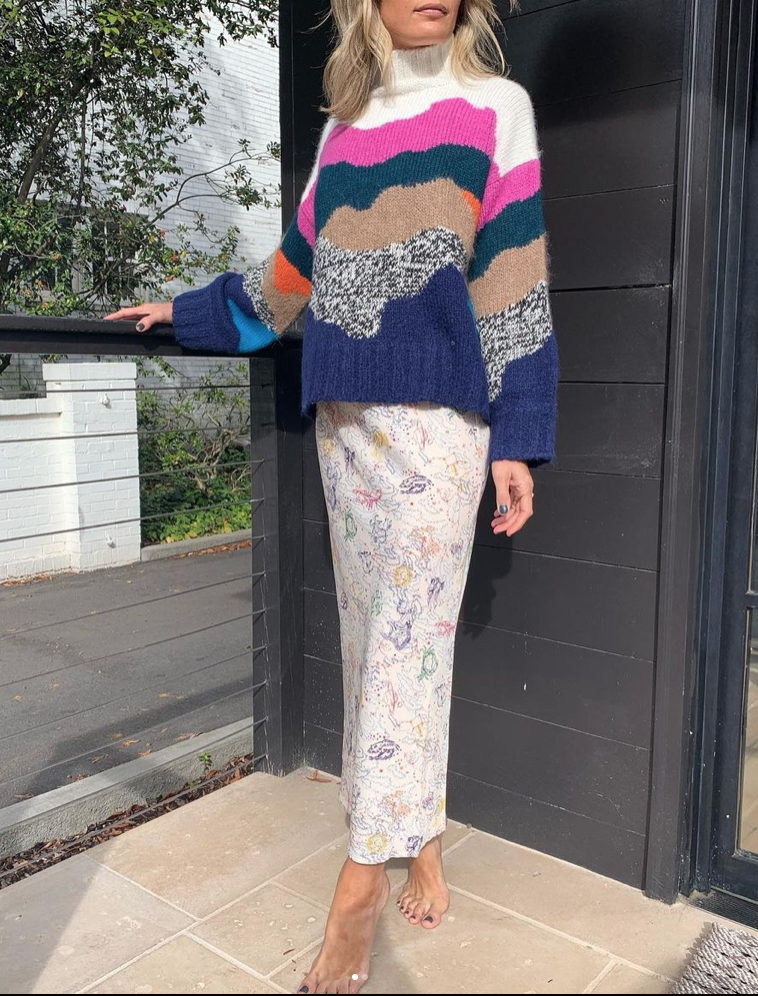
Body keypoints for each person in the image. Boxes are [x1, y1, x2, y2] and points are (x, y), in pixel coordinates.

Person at [106, 0, 559, 991]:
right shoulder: (345, 129)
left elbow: (511, 281)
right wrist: (187, 312)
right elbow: (292, 278)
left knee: (405, 640)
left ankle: (358, 891)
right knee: (377, 643)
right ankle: (420, 839)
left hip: (440, 425)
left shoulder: (496, 107)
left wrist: (518, 438)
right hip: (344, 425)